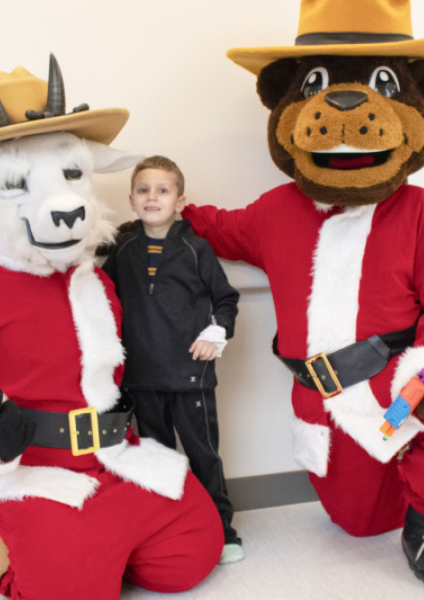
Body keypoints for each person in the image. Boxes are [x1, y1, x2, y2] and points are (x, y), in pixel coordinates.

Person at [103, 155, 244, 564]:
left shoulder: (196, 249)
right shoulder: (122, 250)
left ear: (179, 200)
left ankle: (223, 530)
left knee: (203, 456)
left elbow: (227, 300)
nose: (152, 197)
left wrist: (215, 332)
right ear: (132, 200)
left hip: (190, 377)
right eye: (144, 190)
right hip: (141, 378)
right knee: (156, 461)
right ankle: (169, 534)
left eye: (162, 190)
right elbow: (102, 298)